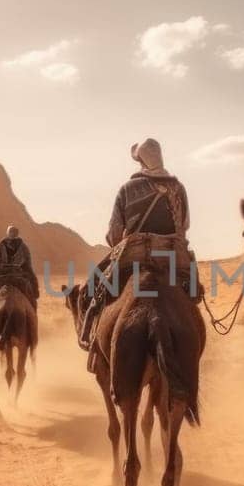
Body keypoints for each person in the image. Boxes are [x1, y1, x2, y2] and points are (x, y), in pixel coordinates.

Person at [77, 138, 196, 349]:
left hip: (133, 254)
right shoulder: (179, 187)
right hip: (174, 256)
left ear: (141, 160)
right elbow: (185, 225)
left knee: (94, 288)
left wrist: (122, 241)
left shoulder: (128, 188)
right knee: (193, 294)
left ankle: (89, 335)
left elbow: (114, 233)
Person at [0, 225, 38, 308]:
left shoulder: (0, 245)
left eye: (13, 232)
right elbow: (27, 265)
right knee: (33, 291)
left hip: (3, 275)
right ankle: (33, 307)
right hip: (17, 275)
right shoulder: (24, 247)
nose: (12, 234)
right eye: (11, 232)